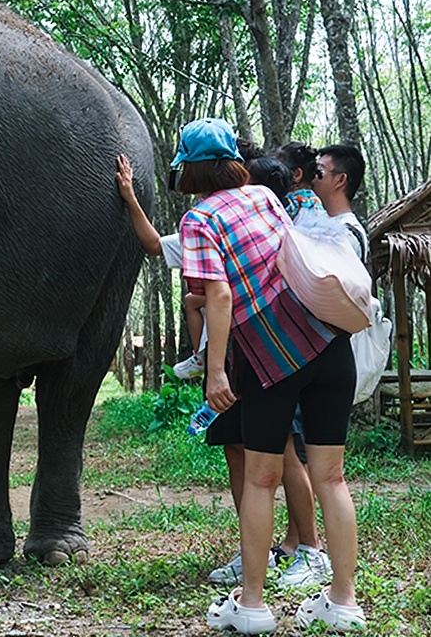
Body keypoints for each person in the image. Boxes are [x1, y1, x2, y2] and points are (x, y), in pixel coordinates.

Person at [168, 118, 363, 633]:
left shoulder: (199, 220)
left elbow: (219, 295)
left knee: (261, 478)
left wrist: (214, 374)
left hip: (271, 359)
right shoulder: (265, 198)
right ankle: (343, 602)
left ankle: (251, 605)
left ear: (189, 170)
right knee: (332, 477)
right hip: (327, 343)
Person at [113, 155, 206, 380]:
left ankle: (202, 358)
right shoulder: (260, 204)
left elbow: (154, 245)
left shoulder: (202, 224)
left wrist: (130, 197)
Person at [314, 144, 368, 261]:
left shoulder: (347, 234)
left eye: (319, 170)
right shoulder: (317, 220)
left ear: (340, 180)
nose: (313, 176)